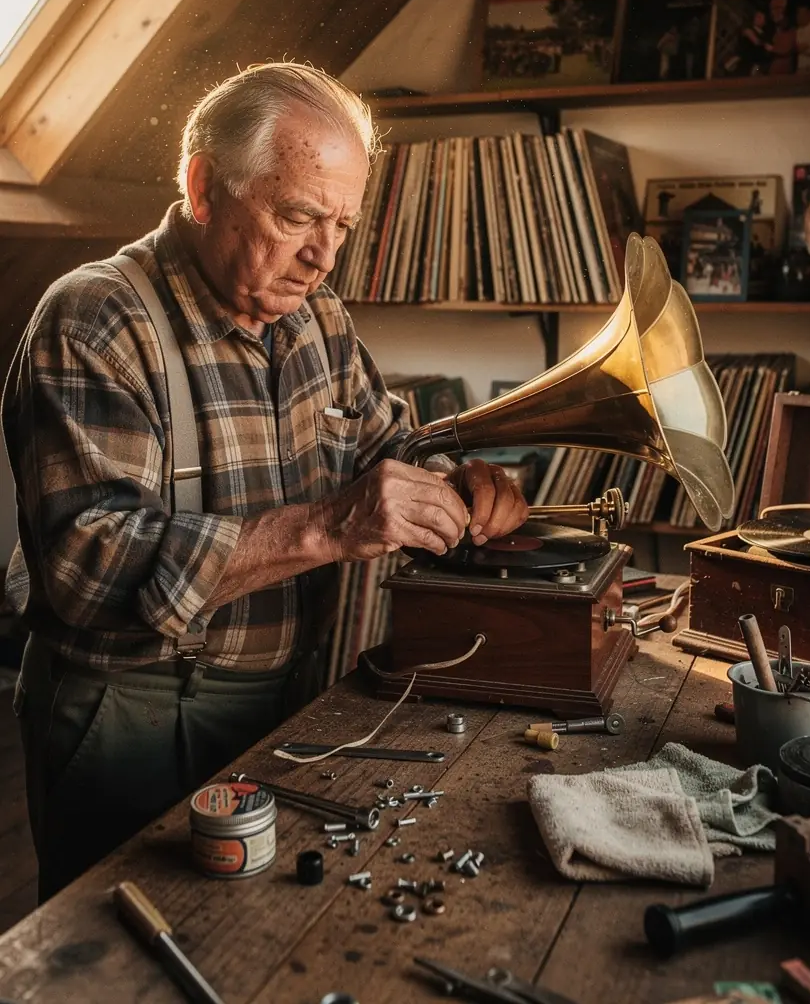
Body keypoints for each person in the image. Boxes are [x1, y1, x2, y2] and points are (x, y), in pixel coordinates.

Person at [2, 63, 528, 900]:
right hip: (130, 711)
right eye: (297, 217)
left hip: (283, 693)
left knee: (254, 935)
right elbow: (84, 567)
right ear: (203, 187)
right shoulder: (96, 318)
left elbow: (383, 441)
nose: (323, 257)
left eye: (343, 226)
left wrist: (455, 480)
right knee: (118, 948)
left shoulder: (315, 315)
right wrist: (327, 529)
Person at [796, 0, 810, 73]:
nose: (799, 16)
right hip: (801, 68)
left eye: (801, 14)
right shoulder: (798, 30)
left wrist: (808, 46)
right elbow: (797, 48)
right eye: (798, 14)